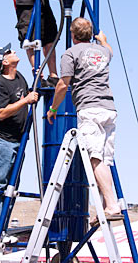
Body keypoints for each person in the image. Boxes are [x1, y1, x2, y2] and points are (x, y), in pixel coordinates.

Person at [47, 17, 124, 226]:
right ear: (91, 35)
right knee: (105, 160)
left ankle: (111, 205)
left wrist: (53, 108)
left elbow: (63, 84)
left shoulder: (70, 53)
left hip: (89, 109)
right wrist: (103, 40)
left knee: (94, 158)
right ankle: (103, 209)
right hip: (109, 108)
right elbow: (110, 50)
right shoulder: (103, 51)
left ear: (72, 36)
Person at [0, 43, 39, 242]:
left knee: (11, 187)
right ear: (4, 62)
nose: (13, 52)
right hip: (2, 140)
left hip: (18, 139)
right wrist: (25, 101)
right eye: (8, 52)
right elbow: (1, 113)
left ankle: (1, 229)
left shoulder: (19, 77)